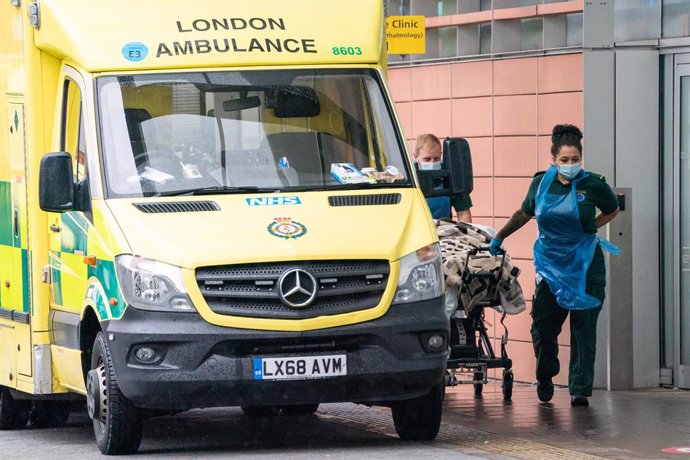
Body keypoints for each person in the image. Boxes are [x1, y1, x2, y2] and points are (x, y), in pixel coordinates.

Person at [488, 124, 620, 407]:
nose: (571, 165)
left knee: (584, 328)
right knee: (543, 326)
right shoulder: (541, 183)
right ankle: (546, 374)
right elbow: (525, 212)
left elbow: (612, 209)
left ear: (581, 159)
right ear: (554, 160)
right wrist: (499, 236)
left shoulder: (593, 185)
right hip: (552, 266)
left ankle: (579, 389)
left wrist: (590, 228)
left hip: (585, 264)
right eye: (565, 160)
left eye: (575, 160)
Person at [413, 133, 473, 222]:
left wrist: (465, 233)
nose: (432, 163)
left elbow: (463, 213)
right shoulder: (408, 179)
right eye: (427, 159)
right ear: (415, 156)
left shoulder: (452, 177)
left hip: (444, 231)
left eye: (436, 158)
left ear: (441, 155)